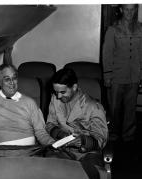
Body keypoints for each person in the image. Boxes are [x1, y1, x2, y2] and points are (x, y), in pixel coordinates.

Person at [46, 67, 108, 166]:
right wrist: (62, 135)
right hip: (63, 149)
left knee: (88, 175)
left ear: (74, 87)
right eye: (56, 92)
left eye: (63, 92)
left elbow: (101, 139)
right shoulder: (55, 100)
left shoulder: (93, 107)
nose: (58, 96)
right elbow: (49, 124)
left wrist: (83, 140)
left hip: (86, 153)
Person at [102, 4, 142, 146]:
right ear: (121, 10)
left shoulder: (140, 28)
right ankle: (112, 135)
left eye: (132, 9)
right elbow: (107, 54)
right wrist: (107, 75)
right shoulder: (113, 30)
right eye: (126, 9)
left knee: (131, 108)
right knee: (114, 108)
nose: (129, 13)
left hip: (134, 76)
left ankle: (128, 137)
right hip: (116, 77)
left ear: (135, 10)